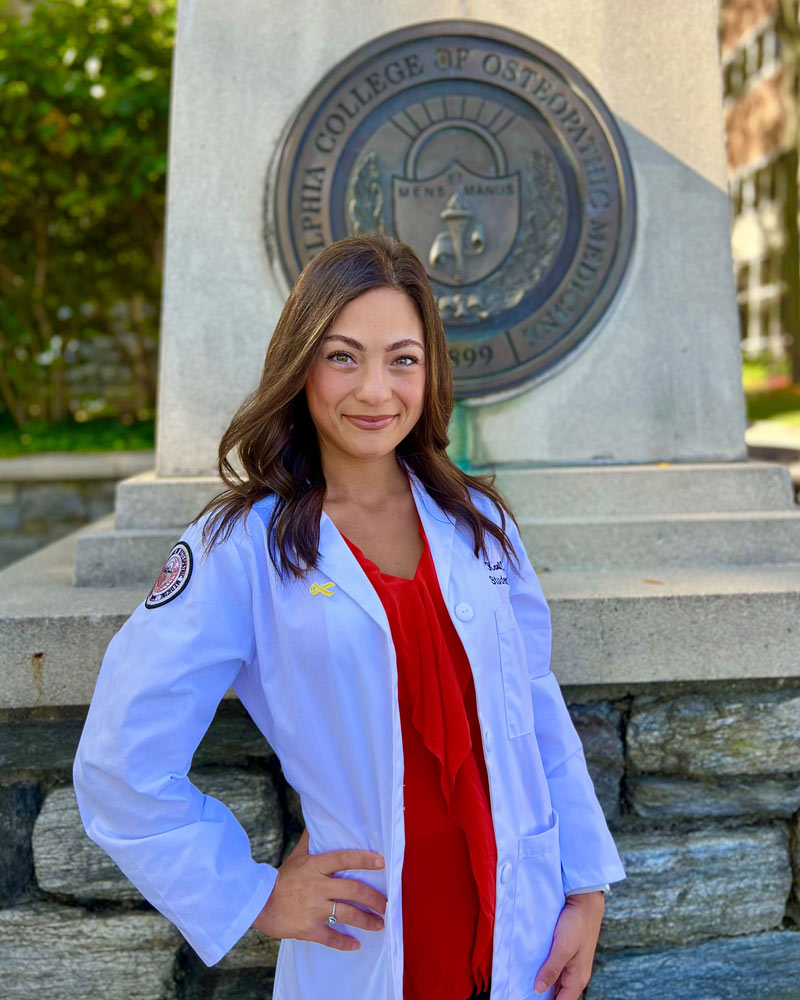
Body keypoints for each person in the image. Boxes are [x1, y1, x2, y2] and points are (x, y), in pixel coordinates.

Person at [73, 233, 626, 1000]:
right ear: (300, 365)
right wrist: (255, 895)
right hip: (371, 938)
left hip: (518, 929)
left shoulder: (478, 525)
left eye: (402, 359)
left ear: (429, 371)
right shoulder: (242, 548)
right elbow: (119, 759)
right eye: (342, 357)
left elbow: (535, 708)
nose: (375, 390)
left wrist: (586, 887)